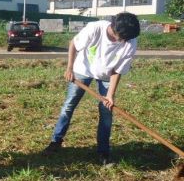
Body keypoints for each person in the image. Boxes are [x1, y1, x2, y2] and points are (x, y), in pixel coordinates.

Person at [43, 12, 141, 165]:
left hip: (107, 75)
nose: (127, 41)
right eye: (124, 38)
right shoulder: (95, 29)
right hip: (83, 70)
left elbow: (117, 70)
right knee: (69, 105)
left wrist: (110, 95)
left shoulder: (131, 41)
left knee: (106, 111)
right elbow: (74, 44)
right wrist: (69, 69)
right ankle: (55, 142)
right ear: (115, 31)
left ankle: (103, 152)